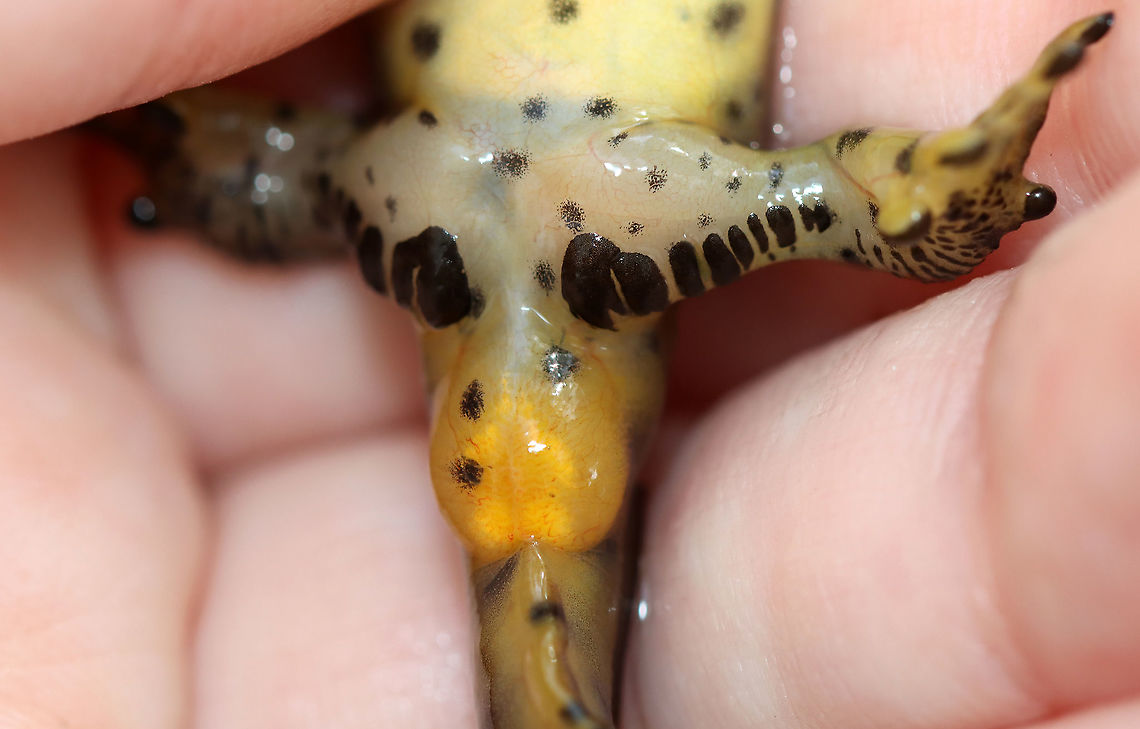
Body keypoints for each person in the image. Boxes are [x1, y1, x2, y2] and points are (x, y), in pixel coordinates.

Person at [0, 1, 1137, 727]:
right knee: (818, 199)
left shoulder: (410, 197)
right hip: (583, 191)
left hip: (459, 187)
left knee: (809, 202)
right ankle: (930, 199)